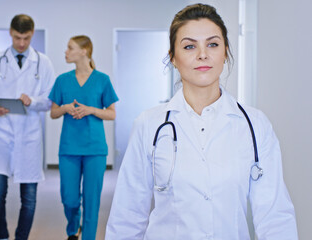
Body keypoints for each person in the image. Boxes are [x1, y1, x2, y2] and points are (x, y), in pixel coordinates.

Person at [105, 4, 298, 240]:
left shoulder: (255, 125)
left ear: (225, 52)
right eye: (189, 46)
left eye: (213, 44)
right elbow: (127, 216)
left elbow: (275, 217)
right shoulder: (149, 125)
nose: (202, 55)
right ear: (173, 58)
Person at [0, 14, 55, 240]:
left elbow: (51, 100)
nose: (22, 43)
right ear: (11, 33)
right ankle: (2, 235)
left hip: (29, 136)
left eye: (27, 38)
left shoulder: (44, 63)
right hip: (0, 134)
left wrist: (34, 101)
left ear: (32, 35)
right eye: (18, 37)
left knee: (29, 197)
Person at [49, 35, 119, 240]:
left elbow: (112, 113)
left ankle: (88, 237)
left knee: (92, 200)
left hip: (95, 150)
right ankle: (73, 226)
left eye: (70, 48)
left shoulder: (102, 80)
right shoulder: (62, 80)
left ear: (84, 51)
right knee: (69, 198)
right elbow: (53, 113)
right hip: (69, 148)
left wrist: (91, 110)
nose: (66, 52)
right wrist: (65, 108)